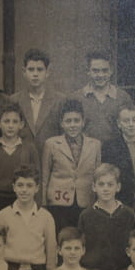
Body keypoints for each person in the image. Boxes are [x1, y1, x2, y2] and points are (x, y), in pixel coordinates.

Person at [78, 163, 135, 270]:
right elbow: (80, 246)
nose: (105, 188)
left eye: (110, 184)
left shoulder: (128, 214)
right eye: (101, 184)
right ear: (94, 187)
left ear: (118, 187)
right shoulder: (86, 215)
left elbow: (134, 246)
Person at [41, 99, 101, 233]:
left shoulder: (95, 145)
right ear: (61, 123)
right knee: (61, 236)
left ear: (83, 122)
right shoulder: (51, 144)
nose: (72, 125)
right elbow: (45, 177)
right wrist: (44, 204)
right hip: (58, 203)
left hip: (85, 201)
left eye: (76, 120)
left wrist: (97, 201)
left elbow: (97, 177)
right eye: (68, 121)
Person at [101, 104, 135, 223]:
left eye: (134, 120)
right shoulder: (110, 147)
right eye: (126, 121)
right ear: (119, 123)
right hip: (121, 200)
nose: (131, 124)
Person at [0, 103, 40, 217]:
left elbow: (37, 178)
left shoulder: (29, 149)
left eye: (15, 122)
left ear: (21, 124)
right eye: (6, 121)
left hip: (22, 200)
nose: (10, 126)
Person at [9, 48, 64, 157]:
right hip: (22, 158)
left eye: (39, 70)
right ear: (24, 72)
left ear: (48, 72)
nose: (35, 74)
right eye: (31, 69)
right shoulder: (14, 100)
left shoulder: (60, 100)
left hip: (51, 157)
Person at [70, 50, 133, 144]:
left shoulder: (123, 97)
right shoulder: (76, 98)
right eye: (95, 71)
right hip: (86, 150)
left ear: (111, 71)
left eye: (105, 70)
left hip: (115, 150)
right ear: (88, 71)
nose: (100, 75)